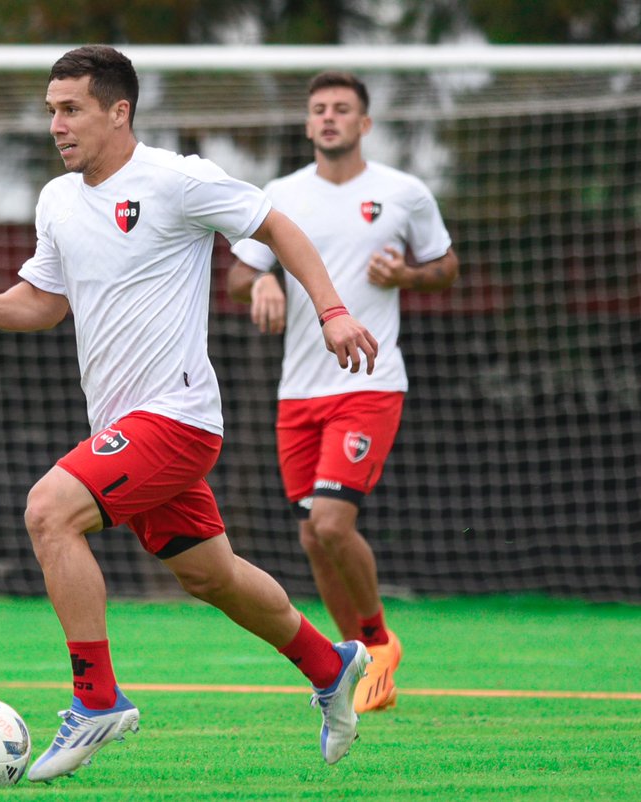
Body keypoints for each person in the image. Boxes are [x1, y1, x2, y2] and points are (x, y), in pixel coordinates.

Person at [0, 46, 380, 782]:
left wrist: (331, 311)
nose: (56, 124)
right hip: (125, 424)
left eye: (71, 108)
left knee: (49, 510)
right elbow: (46, 303)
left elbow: (280, 227)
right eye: (51, 110)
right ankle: (329, 664)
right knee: (212, 577)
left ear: (119, 111)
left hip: (176, 415)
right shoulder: (56, 200)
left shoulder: (179, 181)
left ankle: (96, 700)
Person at [227, 71, 459, 714]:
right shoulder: (279, 195)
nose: (329, 118)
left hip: (370, 381)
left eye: (343, 109)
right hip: (298, 389)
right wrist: (262, 283)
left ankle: (380, 641)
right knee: (311, 536)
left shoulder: (402, 193)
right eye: (319, 110)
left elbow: (446, 266)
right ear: (307, 125)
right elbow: (238, 278)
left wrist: (409, 274)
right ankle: (358, 658)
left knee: (332, 520)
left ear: (364, 124)